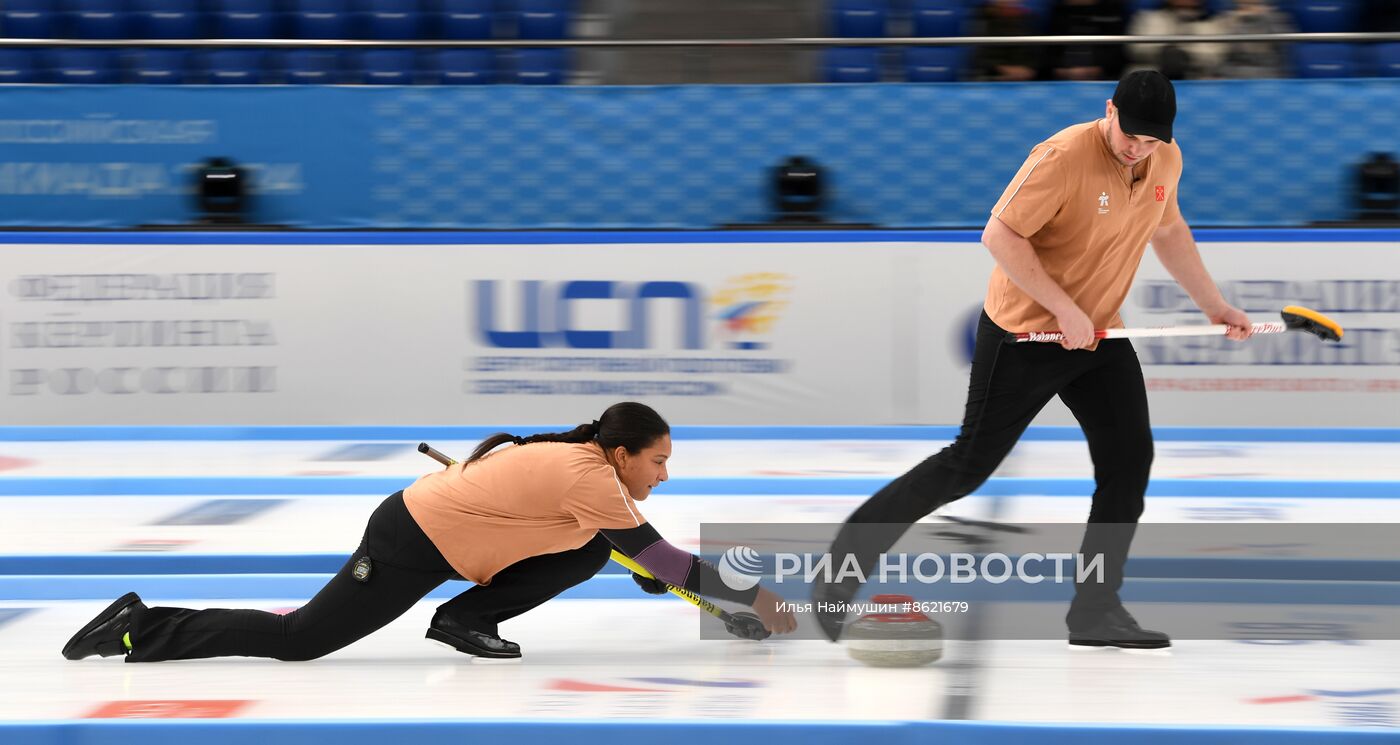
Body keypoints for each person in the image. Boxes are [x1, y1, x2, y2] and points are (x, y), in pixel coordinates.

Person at [813, 70, 1252, 651]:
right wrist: (1062, 308)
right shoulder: (1062, 156)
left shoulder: (1164, 159)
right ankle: (840, 570)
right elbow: (998, 235)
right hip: (1025, 336)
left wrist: (1214, 304)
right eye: (1130, 135)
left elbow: (1166, 229)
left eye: (1151, 140)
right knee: (966, 467)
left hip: (1100, 337)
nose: (1136, 148)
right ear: (1109, 110)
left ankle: (1095, 611)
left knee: (1129, 460)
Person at [62, 402, 798, 663]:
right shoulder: (587, 477)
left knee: (589, 545)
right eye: (659, 460)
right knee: (300, 640)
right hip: (410, 540)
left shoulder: (589, 472)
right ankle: (142, 626)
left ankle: (464, 617)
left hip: (451, 535)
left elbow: (643, 550)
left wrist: (690, 586)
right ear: (620, 454)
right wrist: (757, 602)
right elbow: (659, 556)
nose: (664, 473)